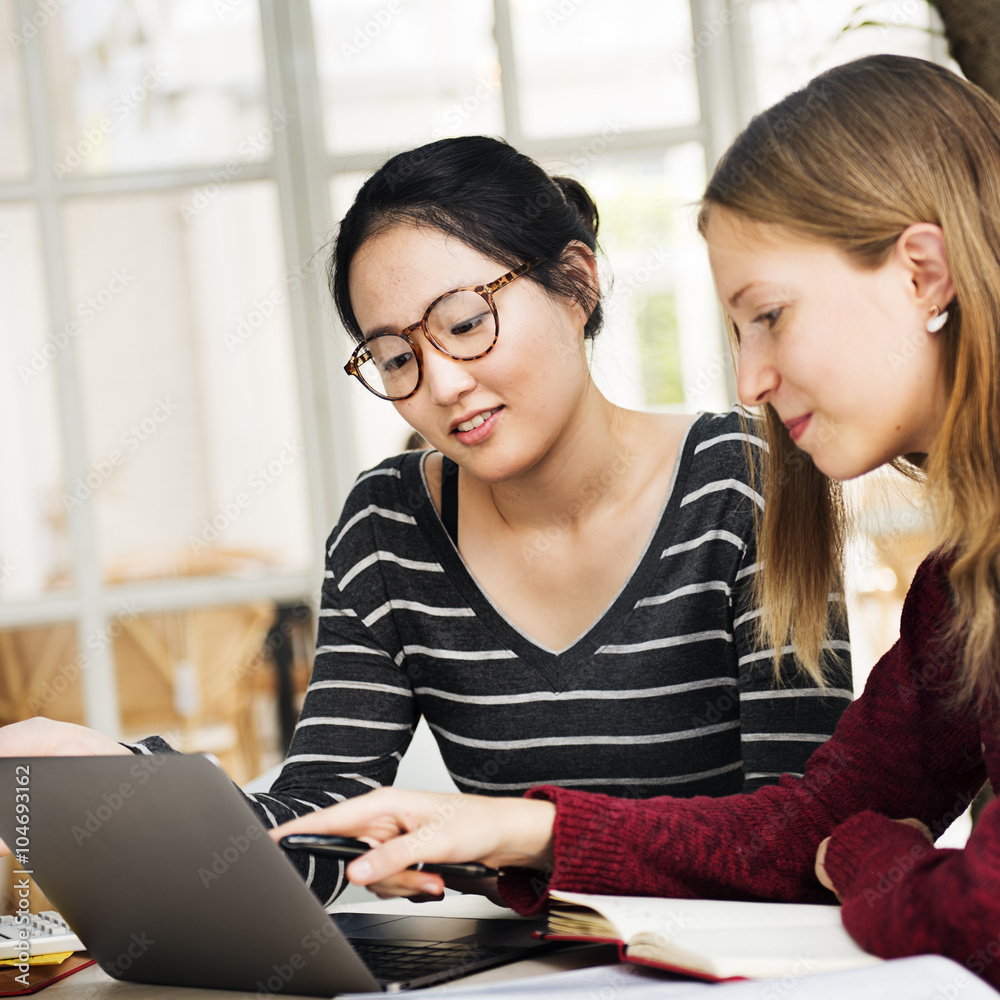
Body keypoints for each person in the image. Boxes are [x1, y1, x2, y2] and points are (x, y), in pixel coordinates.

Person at [268, 55, 1000, 987]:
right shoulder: (963, 582)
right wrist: (516, 827)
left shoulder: (743, 484)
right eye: (393, 354)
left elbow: (976, 908)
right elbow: (810, 824)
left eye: (769, 315)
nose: (750, 382)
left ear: (924, 274)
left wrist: (864, 857)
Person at [0, 137, 852, 906]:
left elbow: (804, 835)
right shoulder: (389, 526)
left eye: (465, 323)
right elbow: (323, 832)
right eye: (398, 356)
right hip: (537, 975)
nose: (440, 386)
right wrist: (134, 786)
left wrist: (530, 837)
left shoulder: (745, 485)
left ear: (577, 283)